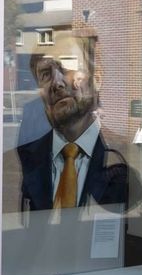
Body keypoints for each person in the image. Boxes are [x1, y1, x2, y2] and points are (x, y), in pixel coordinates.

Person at [13, 33, 132, 211]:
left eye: (68, 66)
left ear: (97, 79)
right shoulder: (31, 155)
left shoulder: (119, 156)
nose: (57, 83)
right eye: (45, 74)